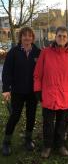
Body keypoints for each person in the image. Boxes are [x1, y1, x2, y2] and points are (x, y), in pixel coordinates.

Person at [34, 26, 68, 158]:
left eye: (64, 36)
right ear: (55, 37)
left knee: (62, 123)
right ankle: (47, 145)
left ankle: (60, 144)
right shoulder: (45, 53)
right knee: (48, 123)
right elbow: (37, 74)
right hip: (49, 95)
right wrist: (37, 90)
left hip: (66, 95)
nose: (62, 38)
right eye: (59, 36)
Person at [1, 27, 40, 156]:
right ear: (20, 37)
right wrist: (6, 89)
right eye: (24, 35)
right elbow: (6, 72)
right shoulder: (13, 52)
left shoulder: (38, 52)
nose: (27, 38)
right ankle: (6, 142)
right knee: (15, 116)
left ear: (33, 38)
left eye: (30, 35)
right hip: (17, 91)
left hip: (32, 92)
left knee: (31, 116)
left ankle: (28, 139)